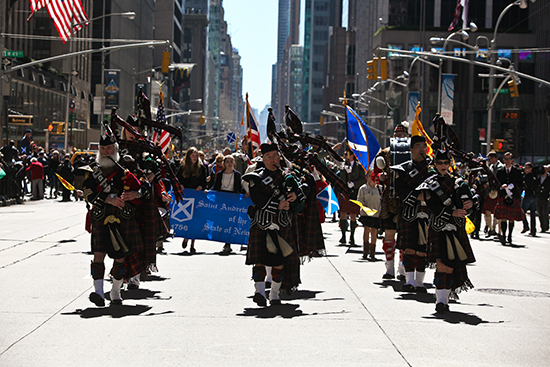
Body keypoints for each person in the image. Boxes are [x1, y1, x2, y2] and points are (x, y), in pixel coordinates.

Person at [82, 132, 144, 306]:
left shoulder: (127, 165)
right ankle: (99, 293)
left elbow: (144, 186)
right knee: (98, 254)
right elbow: (88, 192)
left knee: (120, 256)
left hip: (122, 217)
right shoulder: (93, 168)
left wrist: (135, 194)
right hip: (101, 215)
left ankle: (115, 291)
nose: (105, 152)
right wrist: (106, 199)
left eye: (109, 148)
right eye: (102, 149)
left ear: (115, 148)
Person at [242, 143, 305, 306]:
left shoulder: (287, 177)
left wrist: (293, 197)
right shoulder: (256, 177)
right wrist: (278, 204)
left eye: (275, 156)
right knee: (260, 260)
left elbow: (301, 199)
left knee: (279, 262)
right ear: (263, 159)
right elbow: (257, 200)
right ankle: (260, 293)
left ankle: (274, 294)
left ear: (280, 157)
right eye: (268, 157)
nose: (272, 160)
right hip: (262, 223)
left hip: (281, 224)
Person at [419, 148, 476, 313]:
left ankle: (445, 299)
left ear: (450, 164)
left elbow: (469, 204)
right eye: (440, 163)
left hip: (456, 228)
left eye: (446, 162)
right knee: (441, 264)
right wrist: (451, 212)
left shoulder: (460, 183)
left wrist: (470, 205)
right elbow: (433, 207)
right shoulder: (429, 184)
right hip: (438, 226)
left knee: (450, 266)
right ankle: (440, 301)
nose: (443, 165)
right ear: (435, 164)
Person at [394, 135, 431, 293]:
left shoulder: (432, 168)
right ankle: (409, 281)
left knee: (422, 248)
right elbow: (399, 189)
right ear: (411, 149)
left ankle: (419, 283)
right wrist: (416, 196)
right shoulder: (404, 168)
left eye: (424, 146)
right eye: (418, 146)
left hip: (427, 213)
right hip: (409, 211)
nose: (422, 149)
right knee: (409, 247)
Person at [375, 123, 410, 280]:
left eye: (402, 135)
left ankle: (402, 269)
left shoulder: (412, 153)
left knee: (405, 235)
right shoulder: (385, 153)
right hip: (389, 199)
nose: (400, 137)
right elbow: (374, 174)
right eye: (397, 135)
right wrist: (379, 178)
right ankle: (389, 268)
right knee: (389, 233)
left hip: (408, 200)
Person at [211, 154, 245, 254]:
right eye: (227, 162)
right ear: (224, 163)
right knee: (223, 221)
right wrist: (207, 191)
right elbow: (215, 186)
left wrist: (245, 193)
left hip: (233, 200)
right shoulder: (220, 174)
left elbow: (240, 187)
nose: (229, 164)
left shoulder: (237, 174)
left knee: (231, 221)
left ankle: (228, 243)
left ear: (234, 163)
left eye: (231, 161)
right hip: (222, 199)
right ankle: (225, 240)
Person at [177, 147, 207, 254]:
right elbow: (177, 179)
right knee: (186, 219)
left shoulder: (201, 168)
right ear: (189, 156)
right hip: (185, 197)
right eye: (193, 155)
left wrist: (201, 187)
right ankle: (186, 237)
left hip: (196, 197)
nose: (195, 158)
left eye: (196, 156)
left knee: (195, 220)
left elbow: (204, 182)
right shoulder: (182, 167)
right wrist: (180, 185)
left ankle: (192, 244)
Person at [494, 152, 525, 245]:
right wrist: (501, 187)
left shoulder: (517, 171)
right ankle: (503, 235)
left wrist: (514, 186)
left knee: (511, 218)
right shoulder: (500, 171)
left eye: (509, 159)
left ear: (512, 160)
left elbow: (521, 184)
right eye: (505, 159)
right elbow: (496, 183)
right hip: (503, 196)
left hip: (513, 196)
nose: (507, 161)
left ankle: (510, 236)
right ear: (503, 160)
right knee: (503, 218)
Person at [337, 150, 366, 246]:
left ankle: (352, 237)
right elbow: (340, 179)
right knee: (343, 214)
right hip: (345, 192)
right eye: (345, 154)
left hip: (354, 193)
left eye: (347, 154)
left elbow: (363, 179)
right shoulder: (343, 165)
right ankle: (343, 236)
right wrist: (343, 170)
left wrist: (354, 184)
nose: (345, 156)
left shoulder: (359, 166)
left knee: (353, 215)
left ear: (353, 155)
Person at [357, 170, 382, 261]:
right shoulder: (363, 188)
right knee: (366, 229)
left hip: (376, 213)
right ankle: (365, 251)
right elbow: (359, 199)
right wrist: (364, 206)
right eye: (370, 175)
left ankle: (372, 252)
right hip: (366, 213)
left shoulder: (379, 188)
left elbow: (382, 201)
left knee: (374, 232)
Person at [482, 151, 503, 238]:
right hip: (491, 191)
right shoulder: (491, 167)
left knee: (497, 212)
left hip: (498, 192)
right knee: (487, 210)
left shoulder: (500, 167)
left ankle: (499, 231)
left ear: (494, 158)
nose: (489, 161)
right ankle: (491, 229)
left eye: (490, 159)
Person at [521, 162, 539, 237]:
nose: (525, 169)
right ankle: (533, 230)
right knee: (532, 214)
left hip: (528, 196)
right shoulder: (536, 176)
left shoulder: (528, 177)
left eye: (526, 168)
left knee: (522, 212)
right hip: (535, 196)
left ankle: (526, 226)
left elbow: (525, 186)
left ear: (530, 169)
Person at [537, 165, 550, 233]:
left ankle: (546, 226)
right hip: (539, 196)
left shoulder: (548, 177)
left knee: (545, 212)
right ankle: (542, 227)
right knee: (540, 212)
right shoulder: (539, 177)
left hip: (546, 197)